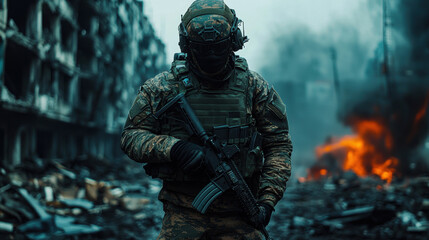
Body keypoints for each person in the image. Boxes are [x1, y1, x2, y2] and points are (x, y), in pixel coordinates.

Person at [120, 0, 292, 239]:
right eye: (202, 48)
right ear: (188, 45)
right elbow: (131, 137)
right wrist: (174, 148)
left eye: (219, 47)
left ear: (233, 42)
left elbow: (278, 144)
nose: (211, 55)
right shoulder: (162, 87)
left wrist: (267, 200)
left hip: (241, 213)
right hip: (183, 212)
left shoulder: (254, 87)